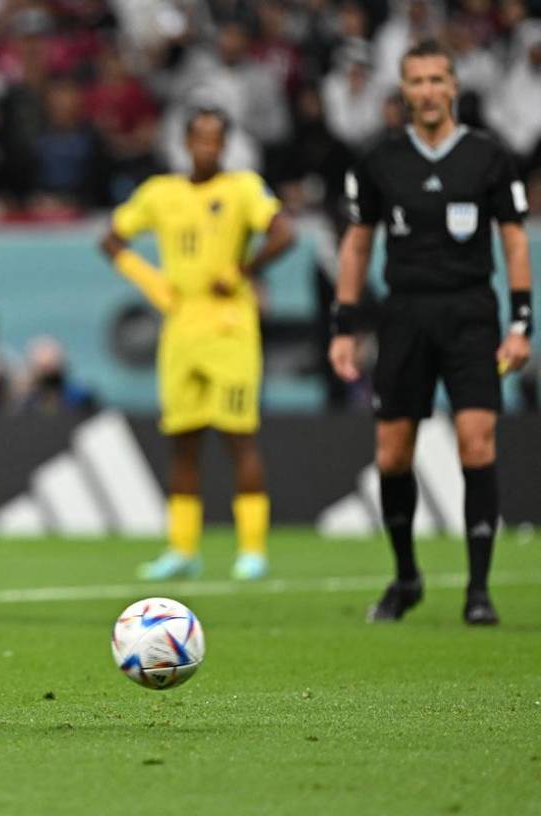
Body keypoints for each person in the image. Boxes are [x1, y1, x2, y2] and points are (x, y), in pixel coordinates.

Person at [329, 39, 532, 626]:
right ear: (403, 90)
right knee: (392, 455)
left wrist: (521, 322)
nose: (426, 91)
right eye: (415, 81)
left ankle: (478, 589)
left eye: (436, 80)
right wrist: (345, 324)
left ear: (454, 87)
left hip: (471, 312)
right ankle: (407, 577)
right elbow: (357, 243)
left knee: (478, 443)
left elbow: (514, 240)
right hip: (404, 316)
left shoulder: (490, 157)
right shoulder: (379, 160)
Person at [99, 108, 295, 582]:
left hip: (231, 327)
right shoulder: (160, 193)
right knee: (183, 442)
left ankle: (252, 549)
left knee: (238, 437)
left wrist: (244, 269)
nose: (207, 147)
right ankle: (182, 548)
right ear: (186, 143)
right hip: (182, 327)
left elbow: (285, 233)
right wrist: (153, 284)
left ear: (225, 144)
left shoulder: (243, 188)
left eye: (215, 139)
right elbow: (111, 240)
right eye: (199, 139)